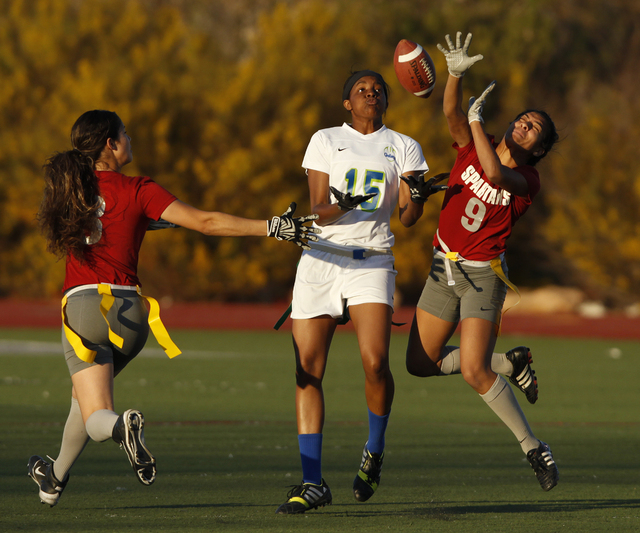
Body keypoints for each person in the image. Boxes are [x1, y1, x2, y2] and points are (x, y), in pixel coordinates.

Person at [28, 109, 319, 507]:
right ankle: (53, 479)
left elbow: (96, 222)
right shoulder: (140, 189)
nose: (130, 139)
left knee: (99, 412)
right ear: (111, 145)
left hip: (83, 307)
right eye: (125, 134)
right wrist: (271, 226)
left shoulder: (68, 188)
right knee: (83, 399)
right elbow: (207, 222)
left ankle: (120, 429)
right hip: (131, 314)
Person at [275, 70, 446, 514]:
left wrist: (421, 196)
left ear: (387, 100)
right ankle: (312, 482)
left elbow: (407, 218)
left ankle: (374, 447)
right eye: (361, 90)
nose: (371, 94)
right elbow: (319, 211)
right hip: (321, 259)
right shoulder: (326, 139)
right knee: (306, 372)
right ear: (347, 103)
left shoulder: (405, 146)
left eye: (377, 90)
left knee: (375, 363)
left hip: (372, 260)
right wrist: (344, 203)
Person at [404, 32, 560, 491]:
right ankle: (510, 364)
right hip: (441, 267)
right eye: (524, 120)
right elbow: (451, 113)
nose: (525, 126)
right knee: (418, 363)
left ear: (540, 149)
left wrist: (476, 122)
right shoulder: (475, 142)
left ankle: (533, 447)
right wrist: (452, 75)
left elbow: (493, 173)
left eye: (535, 129)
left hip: (481, 277)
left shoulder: (527, 178)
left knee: (473, 371)